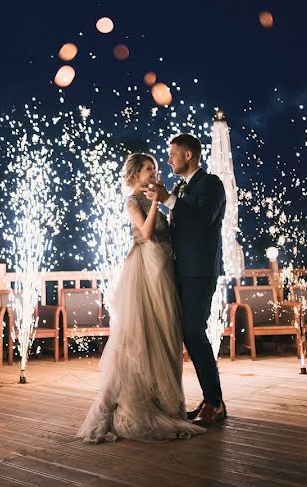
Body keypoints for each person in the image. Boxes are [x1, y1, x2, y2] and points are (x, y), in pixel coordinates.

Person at [77, 153, 205, 443]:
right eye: (149, 169)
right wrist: (157, 201)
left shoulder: (154, 200)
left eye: (156, 169)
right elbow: (146, 233)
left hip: (164, 268)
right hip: (146, 269)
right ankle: (128, 406)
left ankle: (163, 403)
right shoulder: (134, 201)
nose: (154, 173)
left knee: (165, 333)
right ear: (135, 173)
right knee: (139, 335)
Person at [147, 133, 227, 426]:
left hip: (200, 271)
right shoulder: (181, 187)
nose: (169, 159)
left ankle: (215, 402)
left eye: (173, 154)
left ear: (189, 155)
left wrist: (167, 198)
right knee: (184, 332)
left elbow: (203, 217)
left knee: (194, 331)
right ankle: (211, 401)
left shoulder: (212, 184)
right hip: (179, 271)